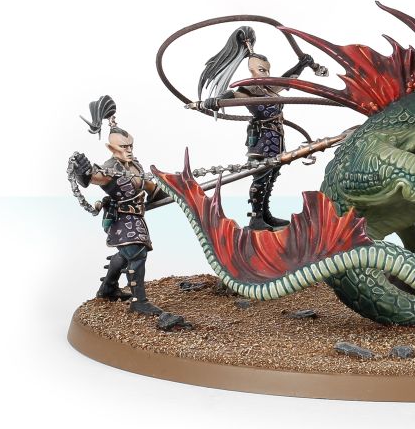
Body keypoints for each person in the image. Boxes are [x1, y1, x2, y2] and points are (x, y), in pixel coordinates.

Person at [195, 27, 325, 230]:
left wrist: (301, 64)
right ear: (252, 71)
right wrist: (216, 101)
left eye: (267, 70)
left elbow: (287, 81)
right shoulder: (250, 89)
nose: (266, 74)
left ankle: (265, 214)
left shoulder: (268, 88)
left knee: (271, 175)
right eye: (262, 70)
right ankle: (255, 218)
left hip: (276, 139)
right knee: (261, 176)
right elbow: (231, 96)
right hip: (261, 140)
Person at [70, 95, 169, 315]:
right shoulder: (109, 169)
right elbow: (92, 177)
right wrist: (82, 172)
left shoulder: (135, 165)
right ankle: (139, 301)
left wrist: (166, 192)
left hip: (137, 217)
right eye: (124, 146)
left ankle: (108, 288)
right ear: (112, 148)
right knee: (136, 253)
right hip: (122, 218)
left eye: (131, 145)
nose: (129, 149)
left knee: (125, 254)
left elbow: (148, 185)